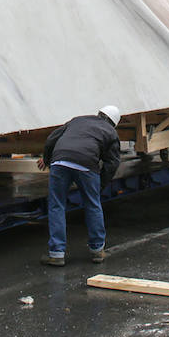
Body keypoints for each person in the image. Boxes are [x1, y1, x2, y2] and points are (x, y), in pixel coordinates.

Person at [38, 105, 122, 266]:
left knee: (56, 206)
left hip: (60, 161)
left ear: (99, 113)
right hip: (86, 164)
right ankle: (97, 251)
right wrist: (99, 186)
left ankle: (56, 254)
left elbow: (51, 140)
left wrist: (48, 160)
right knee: (92, 205)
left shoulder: (77, 120)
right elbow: (112, 164)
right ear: (113, 123)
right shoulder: (111, 132)